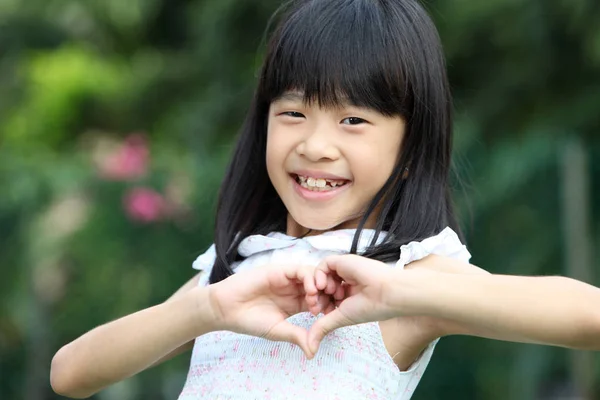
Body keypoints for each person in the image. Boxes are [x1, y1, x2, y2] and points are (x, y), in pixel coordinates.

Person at [49, 0, 600, 399]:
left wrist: (400, 291)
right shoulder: (236, 268)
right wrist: (205, 307)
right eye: (292, 113)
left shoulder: (406, 271)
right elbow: (70, 374)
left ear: (412, 144)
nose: (315, 145)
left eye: (353, 120)